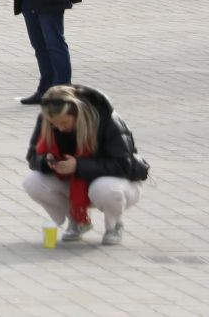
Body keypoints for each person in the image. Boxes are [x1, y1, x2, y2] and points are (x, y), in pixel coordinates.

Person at [20, 83, 148, 245]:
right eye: (54, 124)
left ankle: (114, 225)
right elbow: (32, 157)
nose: (59, 128)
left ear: (77, 113)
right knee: (33, 182)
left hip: (118, 183)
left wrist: (79, 166)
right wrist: (47, 162)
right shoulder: (47, 119)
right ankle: (78, 220)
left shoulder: (106, 120)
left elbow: (123, 165)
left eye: (64, 123)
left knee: (105, 188)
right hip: (75, 184)